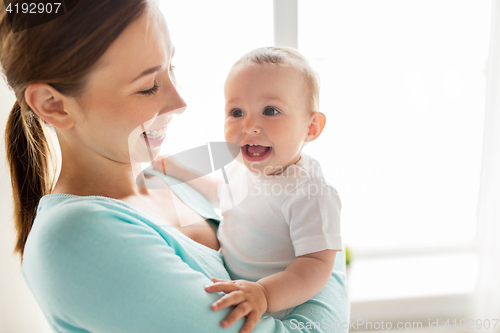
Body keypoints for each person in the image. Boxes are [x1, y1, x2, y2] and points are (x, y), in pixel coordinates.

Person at [1, 1, 349, 332]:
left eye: (172, 68)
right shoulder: (74, 240)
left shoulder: (163, 175)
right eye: (148, 87)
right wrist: (320, 238)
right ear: (53, 104)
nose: (180, 102)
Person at [153, 47, 343, 332]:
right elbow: (223, 196)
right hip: (237, 286)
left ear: (311, 127)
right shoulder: (241, 166)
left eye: (270, 111)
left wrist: (265, 294)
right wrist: (180, 170)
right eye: (236, 112)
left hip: (277, 305)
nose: (250, 126)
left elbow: (316, 264)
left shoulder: (310, 192)